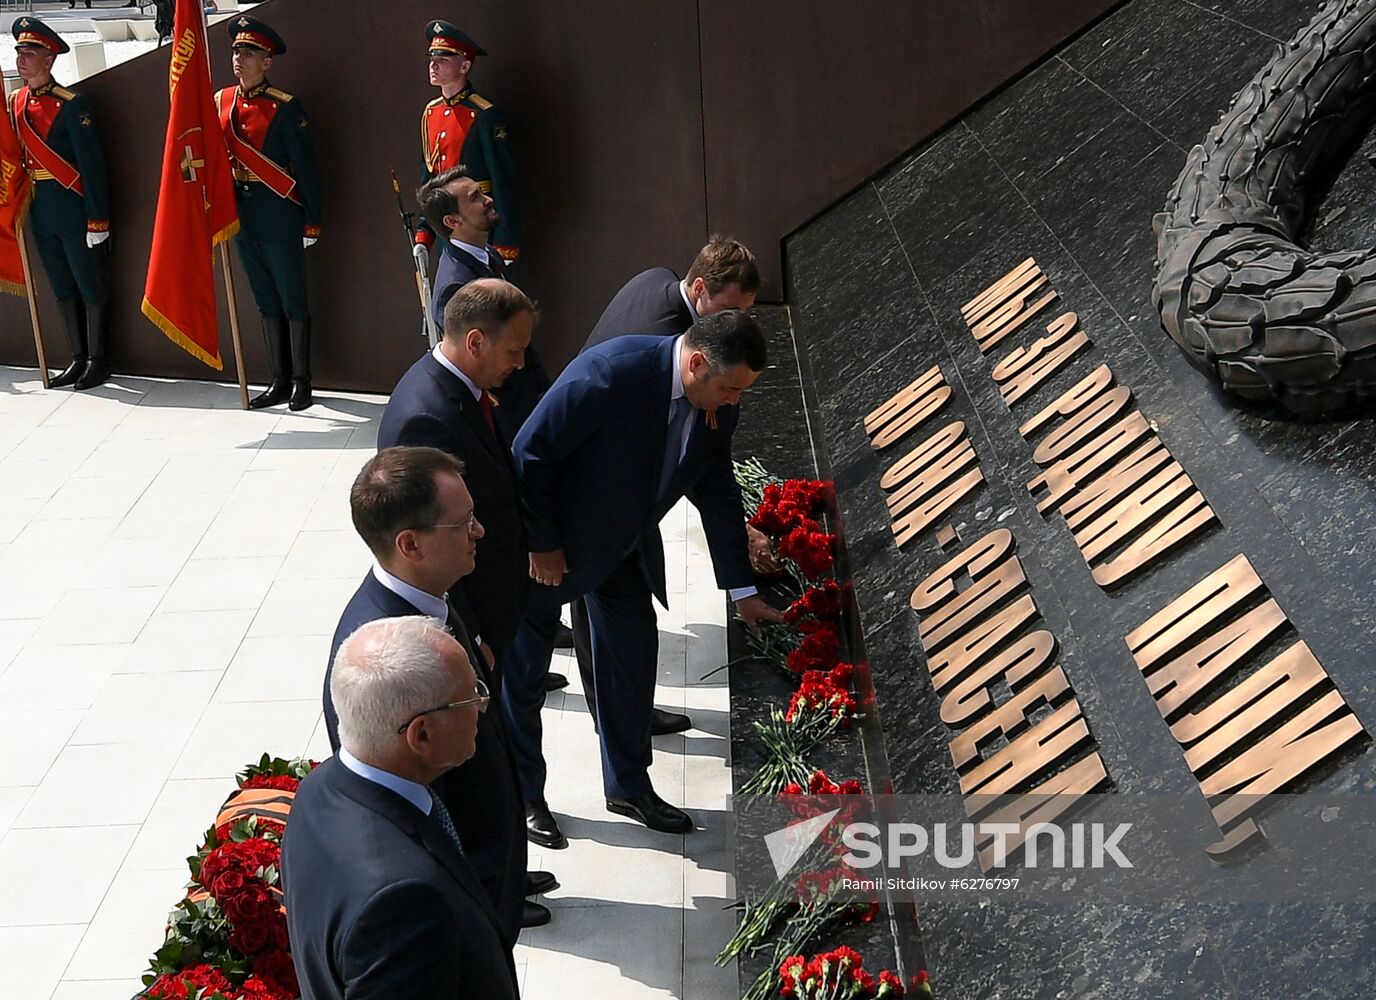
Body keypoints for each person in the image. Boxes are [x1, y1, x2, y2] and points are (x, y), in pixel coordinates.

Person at [502, 311, 785, 839]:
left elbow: (717, 490)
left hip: (621, 549)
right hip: (544, 555)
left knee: (630, 658)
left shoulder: (718, 403)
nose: (735, 401)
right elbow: (531, 453)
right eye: (730, 388)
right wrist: (543, 545)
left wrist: (743, 590)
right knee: (522, 683)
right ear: (696, 363)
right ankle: (524, 798)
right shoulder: (610, 374)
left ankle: (628, 786)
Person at [323, 446, 553, 942]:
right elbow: (407, 807)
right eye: (463, 522)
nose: (480, 531)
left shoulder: (435, 593)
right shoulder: (382, 658)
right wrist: (476, 891)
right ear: (410, 545)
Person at [572, 239, 778, 737]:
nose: (740, 325)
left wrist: (741, 586)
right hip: (595, 497)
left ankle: (621, 714)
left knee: (615, 621)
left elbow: (708, 474)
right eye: (732, 309)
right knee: (612, 618)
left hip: (620, 490)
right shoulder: (658, 352)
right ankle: (618, 722)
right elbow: (688, 465)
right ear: (701, 290)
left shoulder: (657, 281)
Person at [285, 617, 519, 1000]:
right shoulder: (403, 904)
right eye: (471, 697)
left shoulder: (316, 791)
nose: (481, 706)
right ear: (421, 733)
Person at [215, 16, 322, 411]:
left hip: (279, 211)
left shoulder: (286, 108)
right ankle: (278, 378)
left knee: (293, 298)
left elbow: (306, 168)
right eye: (236, 51)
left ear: (267, 61)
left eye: (249, 52)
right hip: (242, 213)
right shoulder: (221, 102)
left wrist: (312, 218)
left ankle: (302, 382)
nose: (239, 59)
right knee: (265, 299)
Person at [11, 17, 112, 390]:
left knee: (89, 284)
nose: (22, 59)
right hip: (39, 208)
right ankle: (76, 357)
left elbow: (93, 167)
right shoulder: (16, 103)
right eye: (19, 52)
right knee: (61, 285)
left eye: (30, 53)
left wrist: (98, 220)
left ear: (49, 59)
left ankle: (97, 361)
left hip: (72, 207)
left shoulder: (71, 106)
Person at [416, 166, 550, 435]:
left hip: (526, 398)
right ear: (453, 221)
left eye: (482, 192)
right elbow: (475, 362)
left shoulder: (488, 253)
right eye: (475, 197)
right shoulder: (456, 285)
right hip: (508, 416)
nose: (487, 199)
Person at [415, 20, 520, 262]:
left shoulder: (485, 114)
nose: (434, 65)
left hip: (478, 224)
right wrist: (425, 232)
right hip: (447, 225)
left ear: (464, 66)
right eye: (431, 59)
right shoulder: (430, 113)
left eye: (443, 59)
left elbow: (503, 181)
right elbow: (429, 178)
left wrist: (505, 242)